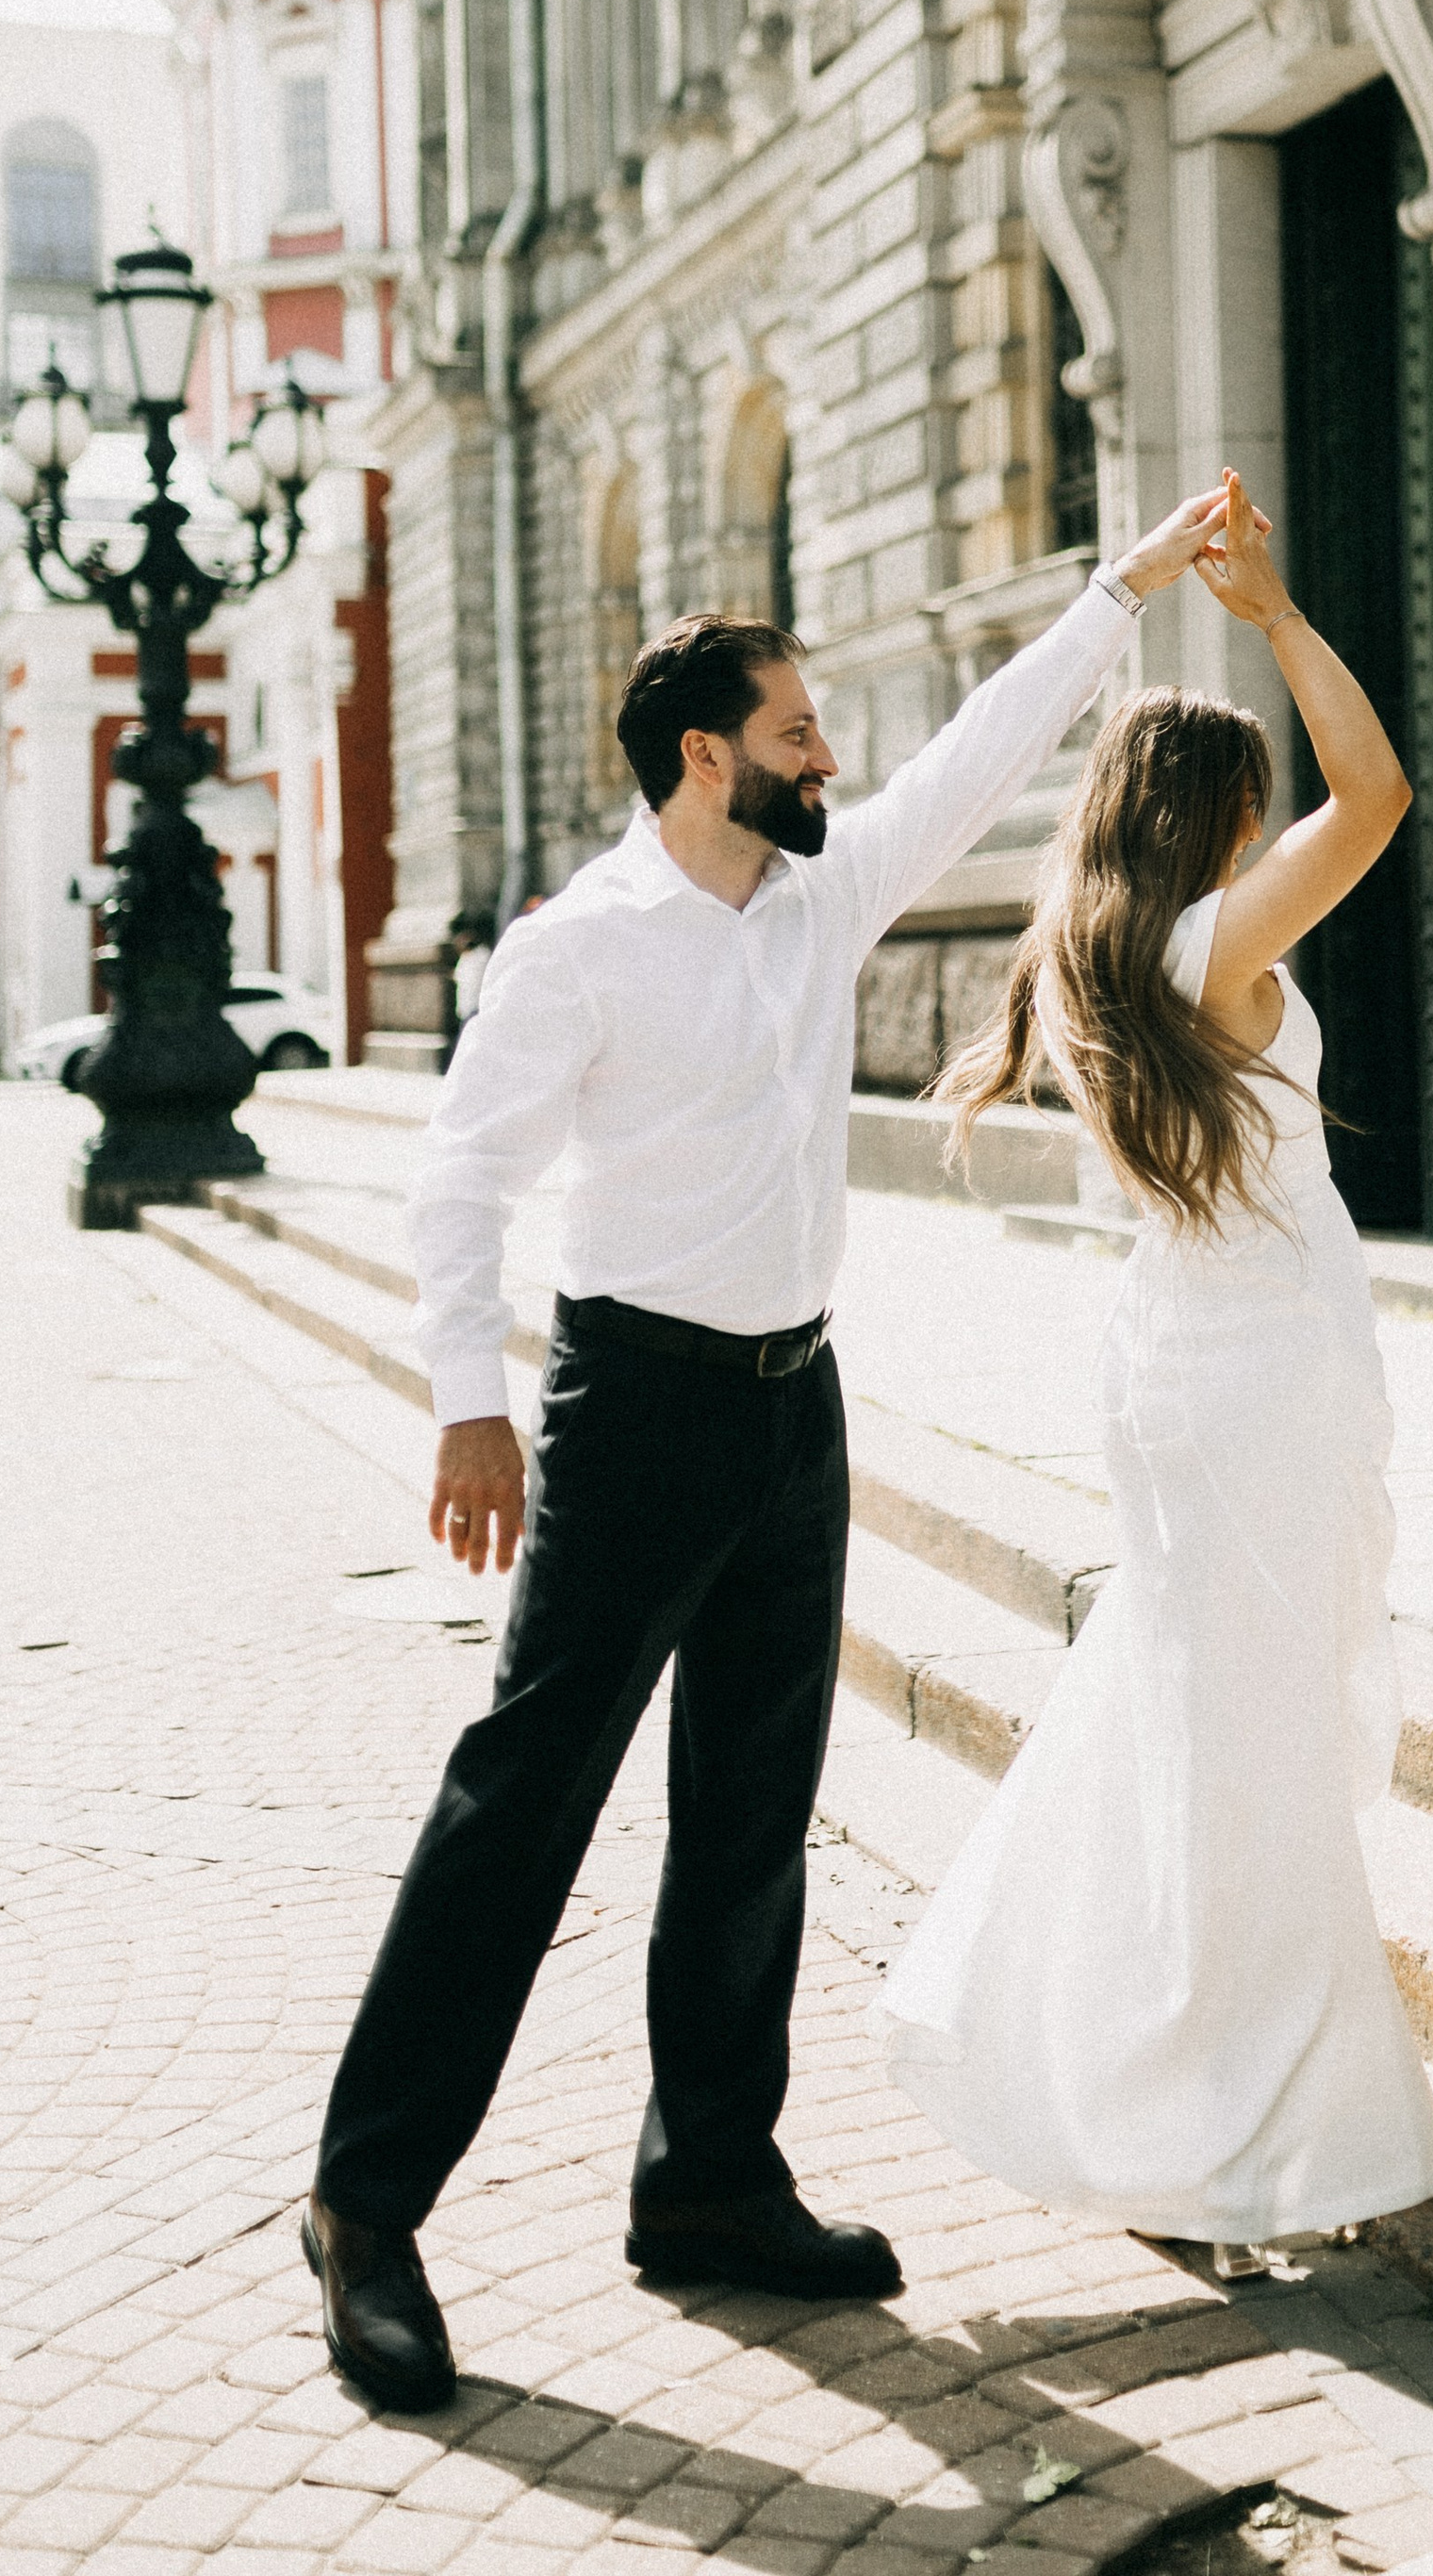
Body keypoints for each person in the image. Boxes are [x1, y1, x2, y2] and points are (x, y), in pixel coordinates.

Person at [303, 487, 1232, 2410]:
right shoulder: (578, 949)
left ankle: (711, 2179)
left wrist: (1118, 594)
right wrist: (468, 1402)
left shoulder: (824, 893)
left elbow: (981, 756)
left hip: (791, 1409)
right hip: (630, 1410)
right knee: (523, 1803)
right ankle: (364, 2209)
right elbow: (460, 1178)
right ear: (707, 758)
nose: (831, 758)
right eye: (798, 733)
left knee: (751, 1809)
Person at [878, 469, 1433, 2267]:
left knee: (1185, 1716)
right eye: (1252, 811)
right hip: (1260, 1382)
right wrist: (1276, 615)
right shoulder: (1210, 947)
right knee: (1250, 1741)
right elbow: (1383, 797)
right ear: (1222, 819)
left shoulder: (1092, 957)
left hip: (1179, 1370)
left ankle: (1134, 2051)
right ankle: (1221, 2108)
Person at [438, 908, 495, 1071]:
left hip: (476, 1011)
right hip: (464, 1010)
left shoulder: (482, 955)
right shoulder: (465, 957)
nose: (457, 942)